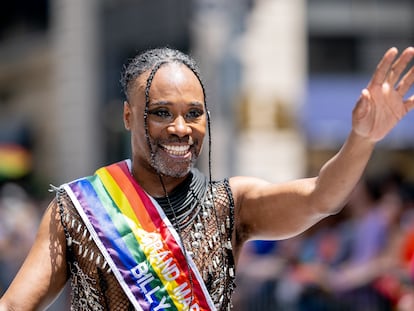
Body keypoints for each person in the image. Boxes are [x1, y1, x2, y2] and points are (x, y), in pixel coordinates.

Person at [0, 46, 413, 311]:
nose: (180, 128)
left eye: (193, 113)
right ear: (128, 117)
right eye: (161, 112)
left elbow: (321, 198)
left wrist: (361, 139)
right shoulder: (78, 209)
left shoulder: (232, 204)